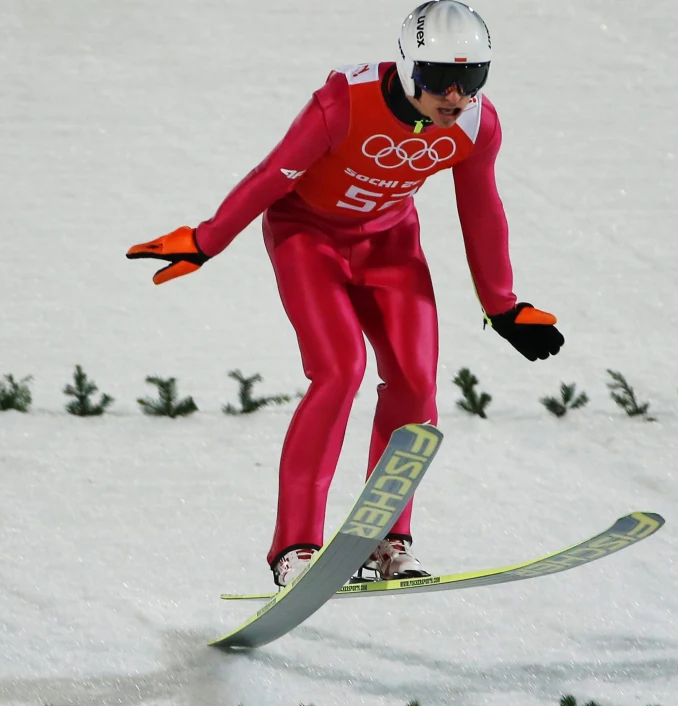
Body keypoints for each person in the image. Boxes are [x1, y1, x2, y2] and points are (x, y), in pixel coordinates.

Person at [127, 0, 564, 588]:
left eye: (474, 79)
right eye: (440, 79)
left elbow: (481, 209)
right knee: (340, 370)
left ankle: (389, 540)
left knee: (415, 381)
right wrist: (207, 240)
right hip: (308, 235)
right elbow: (272, 175)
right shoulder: (342, 104)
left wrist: (502, 304)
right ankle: (297, 549)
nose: (456, 95)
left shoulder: (477, 126)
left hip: (390, 242)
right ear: (410, 68)